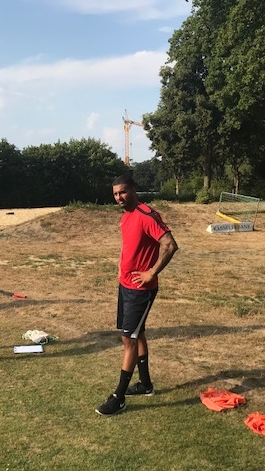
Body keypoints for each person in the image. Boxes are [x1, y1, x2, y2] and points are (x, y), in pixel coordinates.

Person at [96, 175, 178, 416]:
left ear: (133, 190)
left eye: (122, 192)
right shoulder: (126, 216)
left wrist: (151, 273)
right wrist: (121, 266)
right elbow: (130, 246)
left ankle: (119, 397)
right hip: (126, 286)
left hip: (141, 290)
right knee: (137, 333)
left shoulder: (146, 215)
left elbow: (169, 244)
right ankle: (145, 384)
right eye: (115, 194)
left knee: (128, 339)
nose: (118, 197)